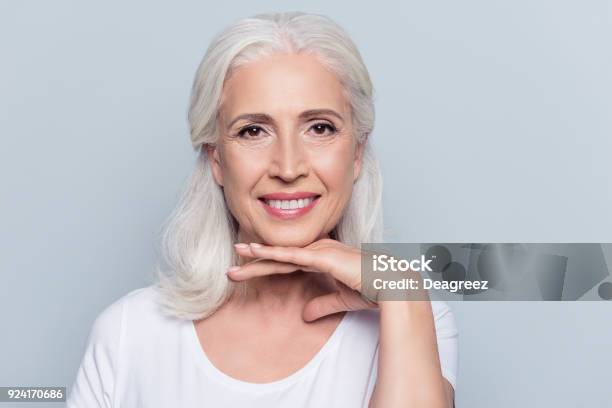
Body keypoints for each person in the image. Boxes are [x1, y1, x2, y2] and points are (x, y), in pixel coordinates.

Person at [67, 11, 458, 407]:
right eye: (253, 131)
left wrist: (402, 291)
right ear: (216, 159)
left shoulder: (410, 317)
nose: (288, 168)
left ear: (356, 153)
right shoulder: (127, 334)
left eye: (319, 128)